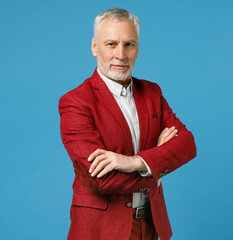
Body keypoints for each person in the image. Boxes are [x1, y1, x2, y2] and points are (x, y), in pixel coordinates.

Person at [59, 8, 196, 240]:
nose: (121, 55)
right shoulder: (76, 102)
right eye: (111, 44)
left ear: (138, 48)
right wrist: (154, 165)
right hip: (103, 230)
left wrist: (133, 162)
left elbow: (187, 144)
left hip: (152, 223)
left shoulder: (152, 92)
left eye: (129, 44)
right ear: (94, 47)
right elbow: (98, 180)